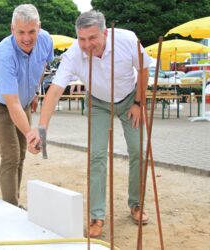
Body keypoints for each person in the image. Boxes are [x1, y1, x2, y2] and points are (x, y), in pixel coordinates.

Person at [29, 10, 151, 238]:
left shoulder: (126, 40)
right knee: (96, 156)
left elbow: (144, 68)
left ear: (105, 32)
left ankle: (136, 204)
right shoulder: (74, 54)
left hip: (129, 99)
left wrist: (138, 101)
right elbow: (54, 92)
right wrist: (41, 130)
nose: (87, 44)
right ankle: (97, 215)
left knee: (138, 151)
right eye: (82, 39)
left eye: (92, 38)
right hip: (98, 103)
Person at [0, 4, 54, 206]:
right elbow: (12, 104)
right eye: (21, 32)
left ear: (39, 27)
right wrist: (31, 133)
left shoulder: (46, 40)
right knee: (11, 154)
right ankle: (10, 207)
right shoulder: (4, 54)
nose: (27, 38)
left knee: (22, 153)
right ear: (12, 29)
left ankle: (14, 200)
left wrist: (34, 93)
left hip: (23, 99)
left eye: (32, 31)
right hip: (0, 102)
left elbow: (42, 67)